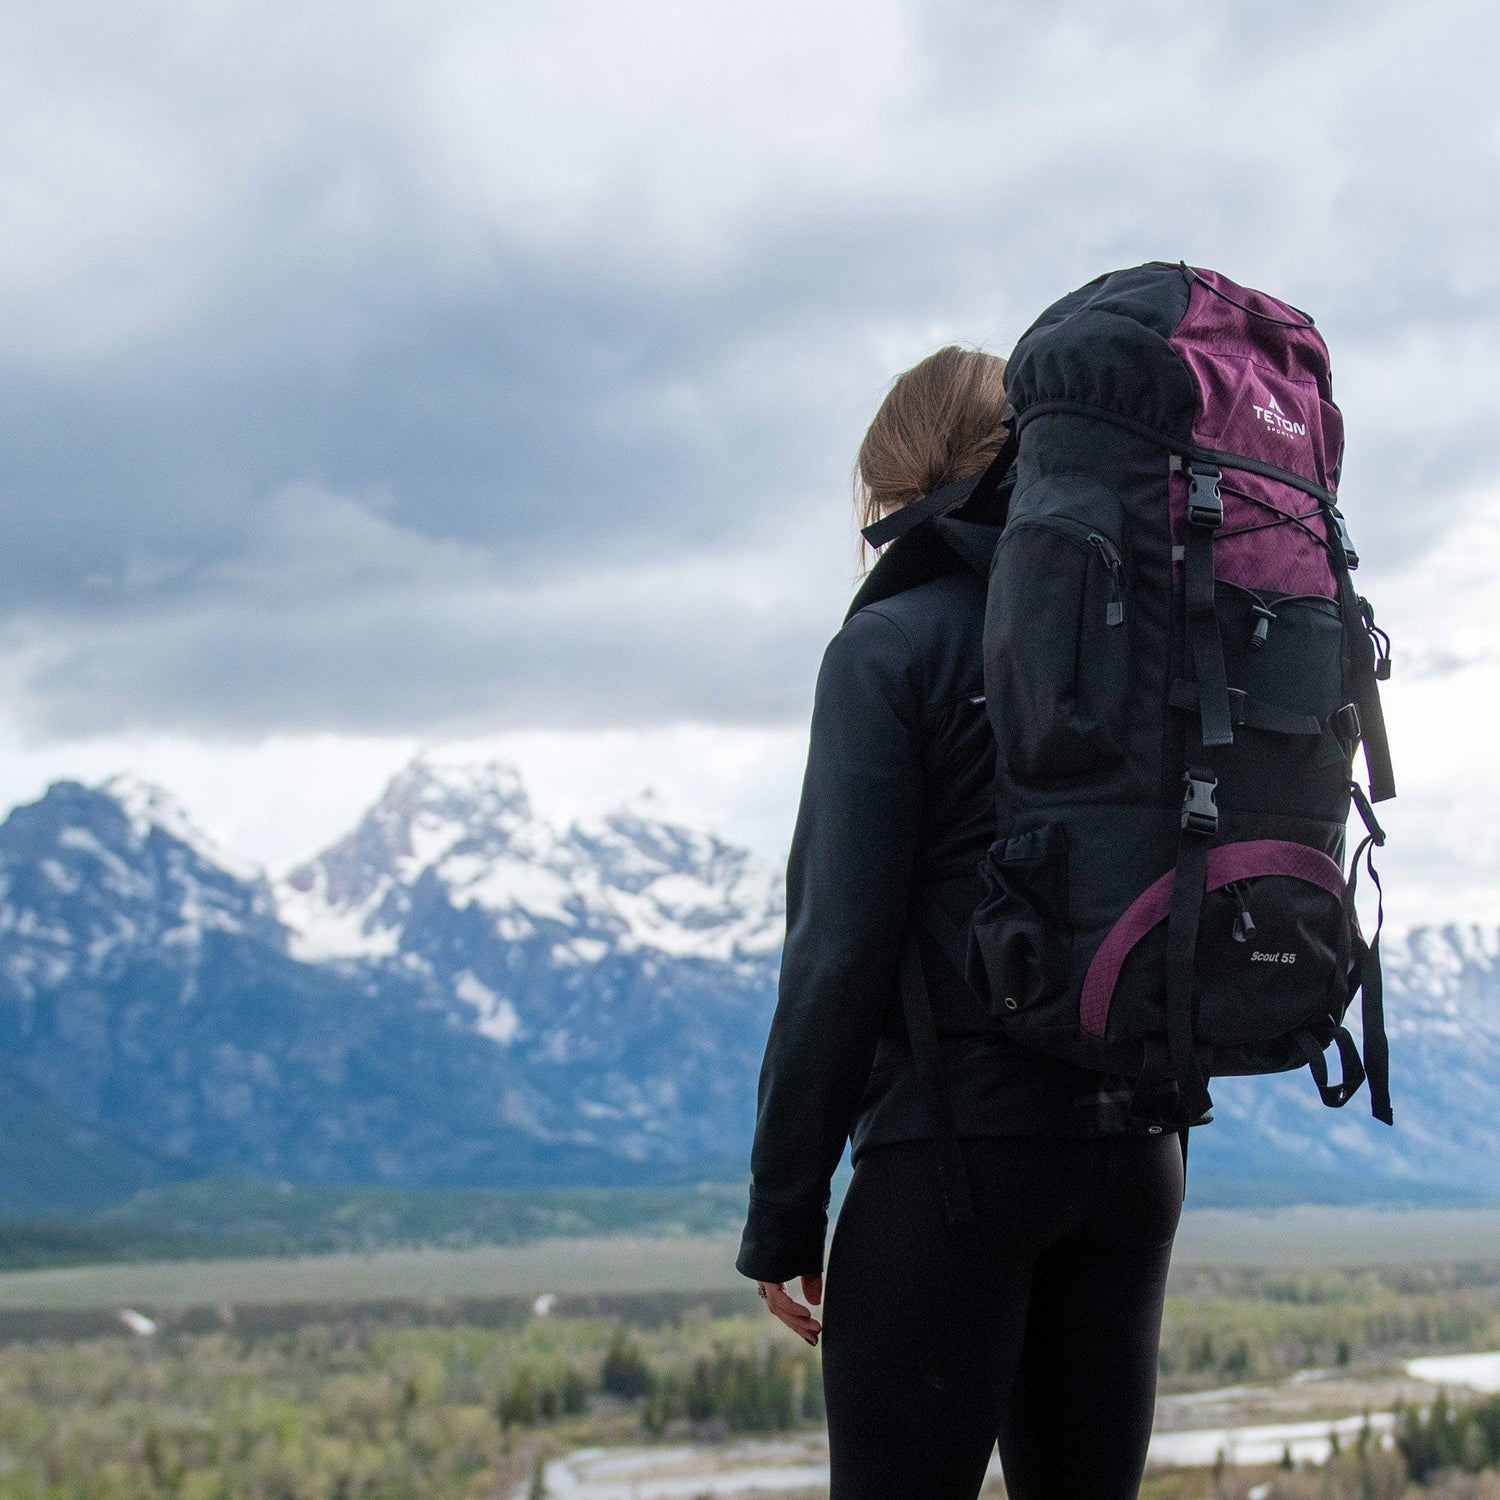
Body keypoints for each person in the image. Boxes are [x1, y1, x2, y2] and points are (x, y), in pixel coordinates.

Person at [734, 346, 1186, 1500]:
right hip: (1138, 1154)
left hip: (955, 1166)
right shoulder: (1149, 632)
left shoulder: (892, 646)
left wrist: (784, 1213)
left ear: (889, 484)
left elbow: (839, 949)